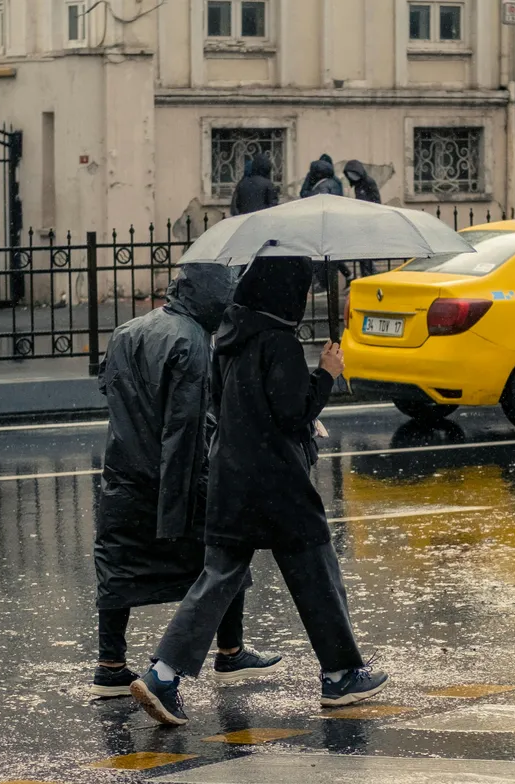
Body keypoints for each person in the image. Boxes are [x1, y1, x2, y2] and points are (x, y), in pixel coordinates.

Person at [129, 257, 388, 727]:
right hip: (277, 481)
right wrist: (327, 372)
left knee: (218, 576)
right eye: (303, 288)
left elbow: (228, 401)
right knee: (317, 571)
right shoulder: (280, 343)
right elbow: (293, 414)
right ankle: (341, 674)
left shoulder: (226, 338)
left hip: (231, 474)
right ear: (284, 292)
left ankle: (163, 673)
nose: (306, 297)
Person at [90, 263, 283, 698]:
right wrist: (191, 493)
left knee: (118, 566)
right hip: (175, 479)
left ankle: (111, 665)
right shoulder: (192, 341)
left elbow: (111, 391)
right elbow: (187, 426)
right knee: (225, 557)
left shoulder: (127, 331)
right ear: (212, 294)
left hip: (123, 474)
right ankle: (230, 651)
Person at [343, 160, 381, 276]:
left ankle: (370, 275)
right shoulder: (357, 185)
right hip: (361, 223)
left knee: (366, 254)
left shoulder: (368, 182)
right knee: (362, 254)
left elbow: (376, 201)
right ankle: (368, 275)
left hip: (368, 222)